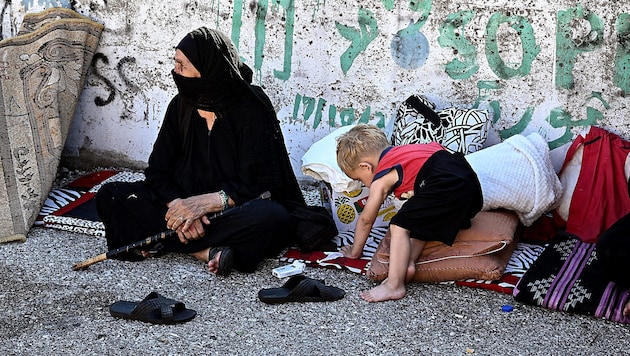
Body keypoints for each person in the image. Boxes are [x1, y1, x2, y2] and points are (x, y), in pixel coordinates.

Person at [95, 27, 306, 276]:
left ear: (206, 67)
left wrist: (206, 203)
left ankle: (165, 240)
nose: (176, 72)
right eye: (175, 64)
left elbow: (265, 182)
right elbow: (158, 171)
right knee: (111, 195)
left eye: (182, 65)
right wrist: (180, 210)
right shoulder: (181, 106)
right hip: (183, 203)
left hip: (231, 209)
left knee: (271, 218)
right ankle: (205, 252)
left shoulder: (250, 106)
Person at [336, 124, 483, 302]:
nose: (364, 184)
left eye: (359, 179)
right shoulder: (408, 151)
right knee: (416, 217)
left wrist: (354, 251)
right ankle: (408, 264)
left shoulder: (383, 175)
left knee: (399, 226)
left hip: (444, 184)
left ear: (366, 166)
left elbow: (367, 220)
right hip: (469, 185)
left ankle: (394, 285)